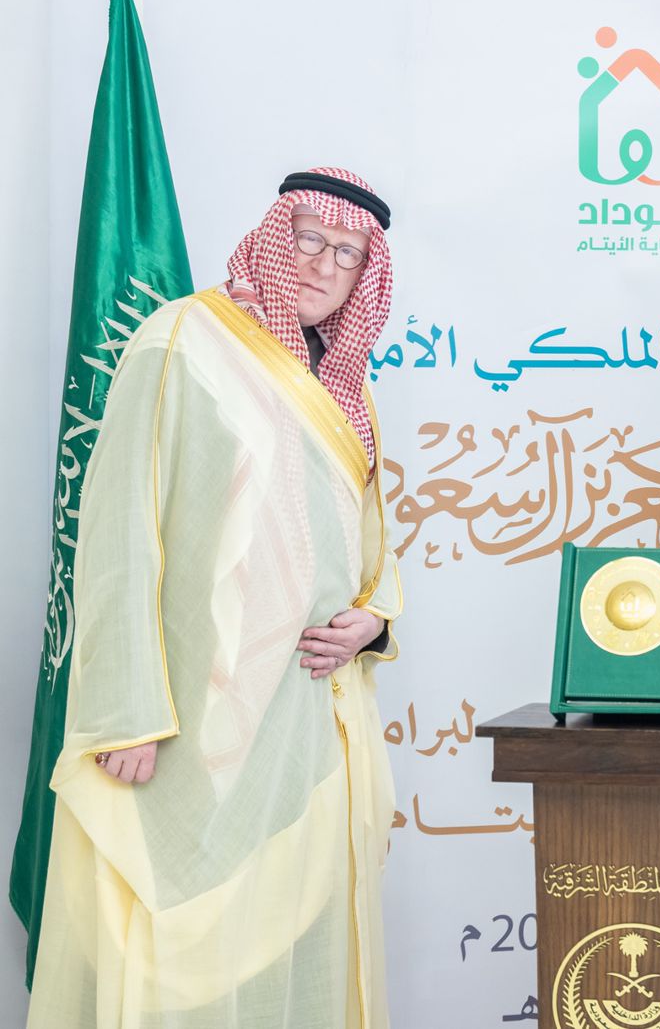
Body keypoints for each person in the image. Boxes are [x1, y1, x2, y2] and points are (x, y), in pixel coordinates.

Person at [27, 168, 405, 1029]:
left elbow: (369, 529)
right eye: (309, 239)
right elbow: (120, 526)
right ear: (275, 235)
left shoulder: (348, 384)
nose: (323, 265)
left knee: (291, 939)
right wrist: (126, 712)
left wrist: (376, 617)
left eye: (347, 255)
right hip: (194, 709)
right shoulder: (181, 339)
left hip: (309, 714)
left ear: (366, 274)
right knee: (179, 944)